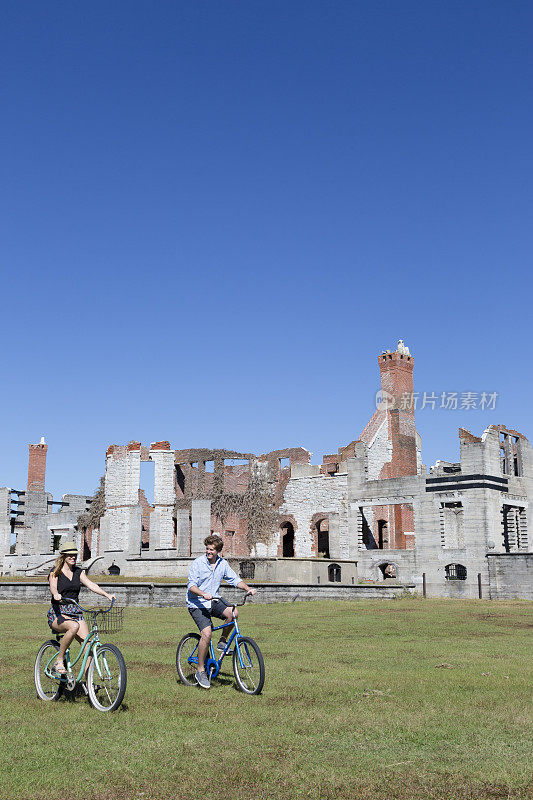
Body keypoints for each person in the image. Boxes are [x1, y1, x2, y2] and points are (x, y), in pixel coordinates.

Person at [187, 534, 257, 689]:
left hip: (213, 601)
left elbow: (234, 580)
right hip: (197, 603)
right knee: (206, 633)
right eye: (207, 549)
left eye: (211, 549)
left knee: (234, 613)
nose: (208, 552)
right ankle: (200, 670)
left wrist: (248, 588)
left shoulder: (222, 564)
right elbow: (191, 586)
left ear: (218, 551)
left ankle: (222, 641)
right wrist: (202, 593)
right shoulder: (198, 563)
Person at [47, 541, 116, 679]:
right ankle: (59, 660)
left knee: (88, 647)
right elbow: (53, 586)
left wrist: (107, 595)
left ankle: (87, 684)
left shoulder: (78, 572)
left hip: (76, 612)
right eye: (70, 555)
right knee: (73, 627)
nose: (73, 557)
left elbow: (91, 585)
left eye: (75, 555)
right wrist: (56, 594)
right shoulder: (55, 572)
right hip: (58, 613)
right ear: (64, 556)